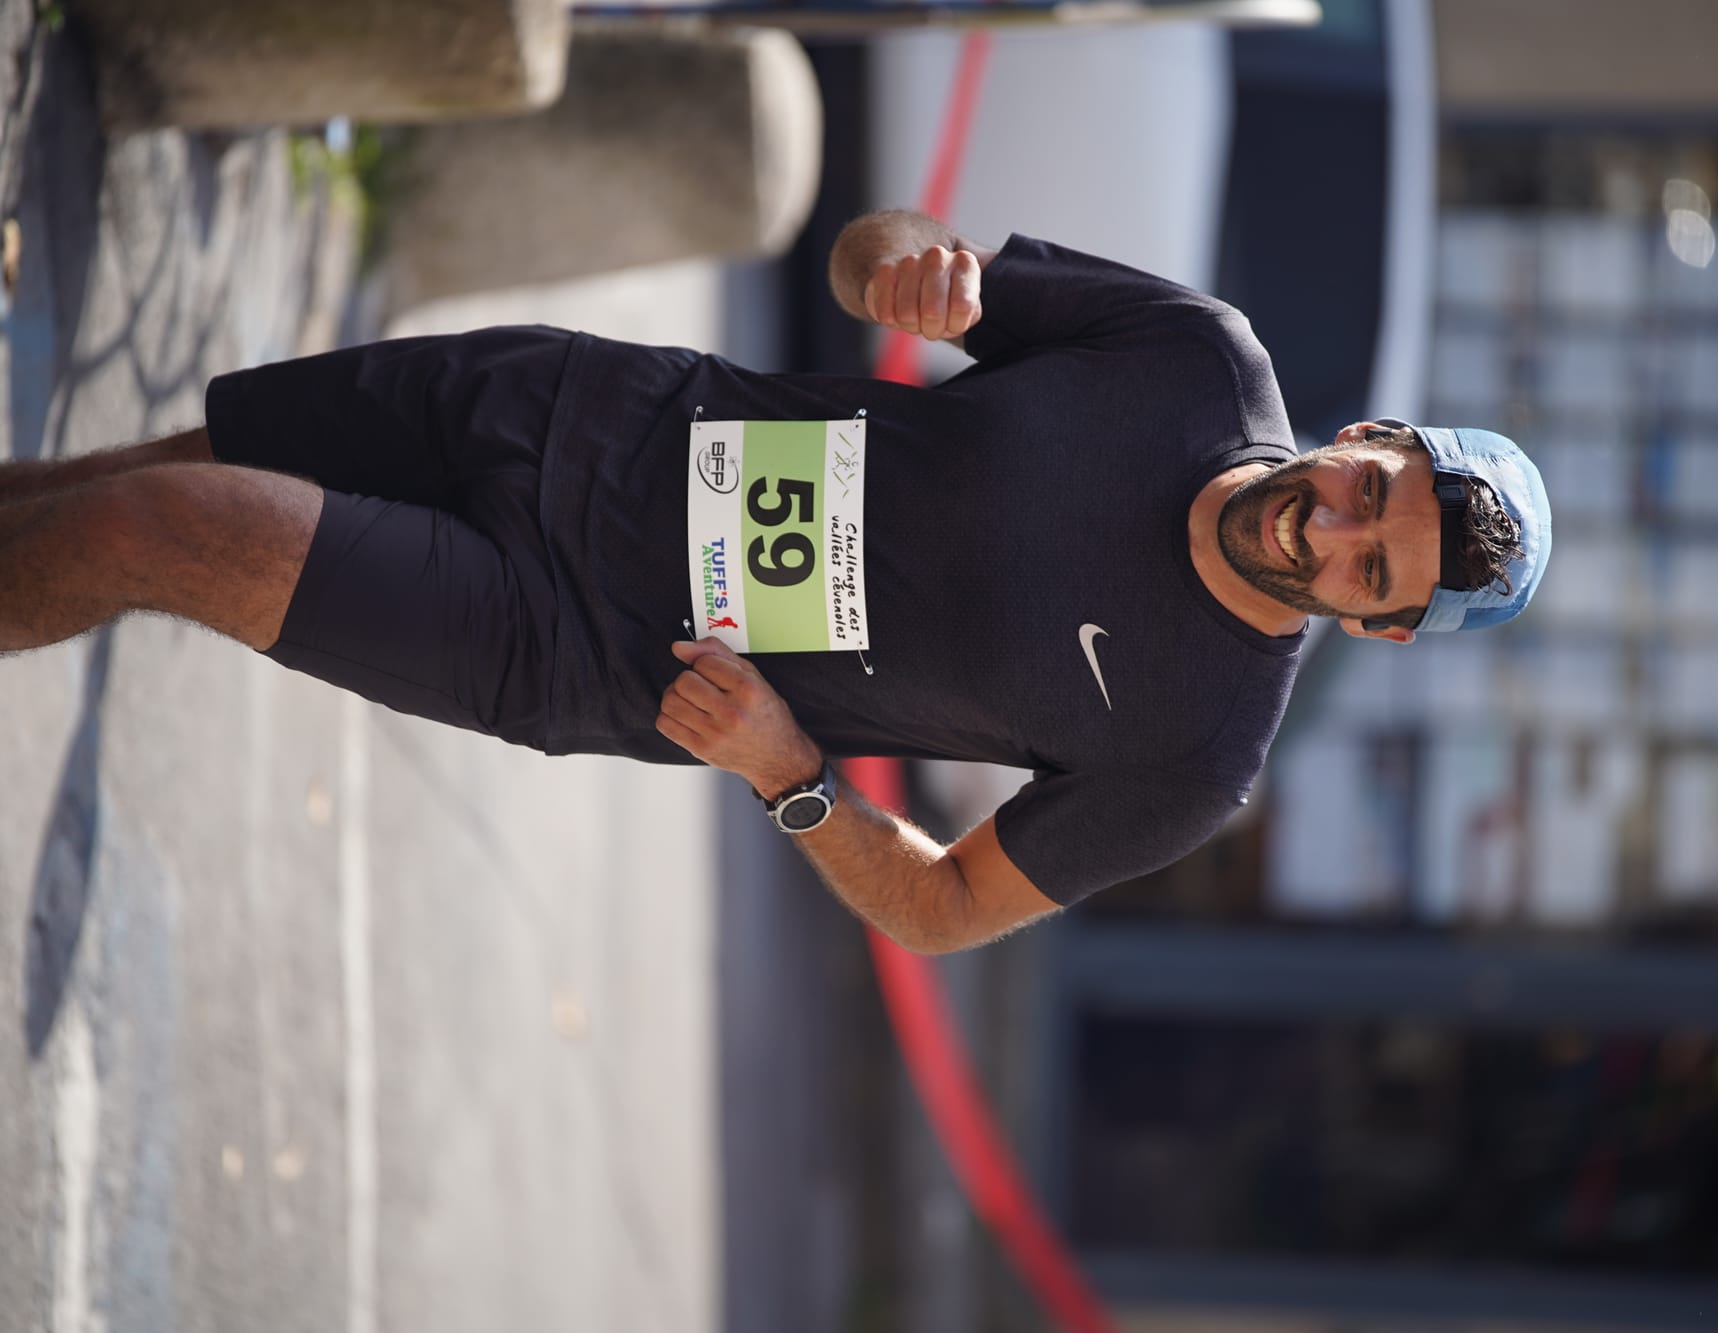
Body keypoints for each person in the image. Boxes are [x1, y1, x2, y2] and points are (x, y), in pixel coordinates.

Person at [0, 210, 1550, 953]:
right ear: (1368, 435)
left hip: (594, 648)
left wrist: (790, 777)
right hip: (589, 410)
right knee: (100, 490)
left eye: (1371, 566)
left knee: (163, 528)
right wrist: (897, 271)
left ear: (1384, 623)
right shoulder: (1197, 357)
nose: (1332, 528)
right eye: (1371, 489)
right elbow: (865, 247)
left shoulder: (1199, 751)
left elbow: (947, 907)